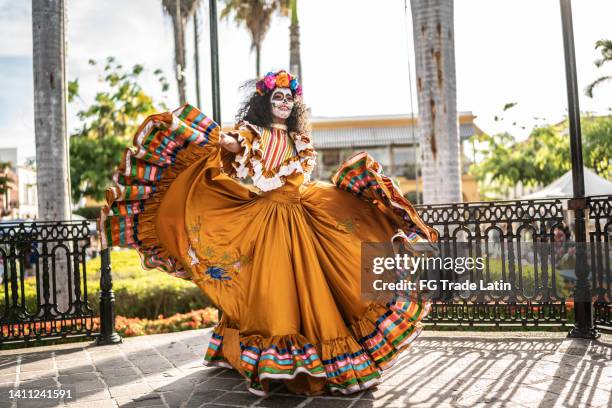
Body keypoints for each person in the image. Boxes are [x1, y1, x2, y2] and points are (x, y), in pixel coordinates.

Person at [98, 69, 438, 396]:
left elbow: (299, 176)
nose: (285, 103)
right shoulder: (254, 134)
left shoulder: (298, 138)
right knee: (274, 292)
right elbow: (234, 146)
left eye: (289, 98)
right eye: (278, 97)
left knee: (348, 249)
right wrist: (221, 138)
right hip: (272, 218)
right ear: (265, 102)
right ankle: (281, 359)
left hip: (307, 208)